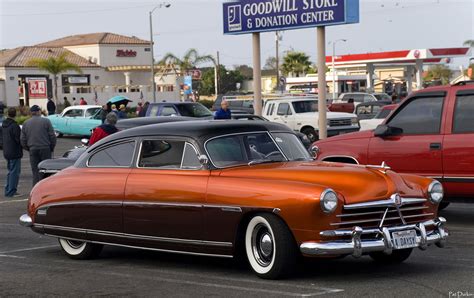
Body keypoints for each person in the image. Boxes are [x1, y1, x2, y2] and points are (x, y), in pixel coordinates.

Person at [21, 105, 57, 186]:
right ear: (38, 112)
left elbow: (23, 140)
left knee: (35, 171)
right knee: (46, 171)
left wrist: (29, 148)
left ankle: (36, 190)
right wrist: (51, 147)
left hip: (33, 149)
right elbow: (52, 136)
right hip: (45, 148)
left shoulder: (26, 123)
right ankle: (46, 188)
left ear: (31, 112)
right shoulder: (46, 121)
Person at [2, 108, 23, 197]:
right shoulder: (14, 126)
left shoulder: (4, 125)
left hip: (6, 150)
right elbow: (18, 139)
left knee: (10, 171)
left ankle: (8, 189)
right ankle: (11, 191)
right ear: (15, 114)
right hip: (14, 151)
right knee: (15, 172)